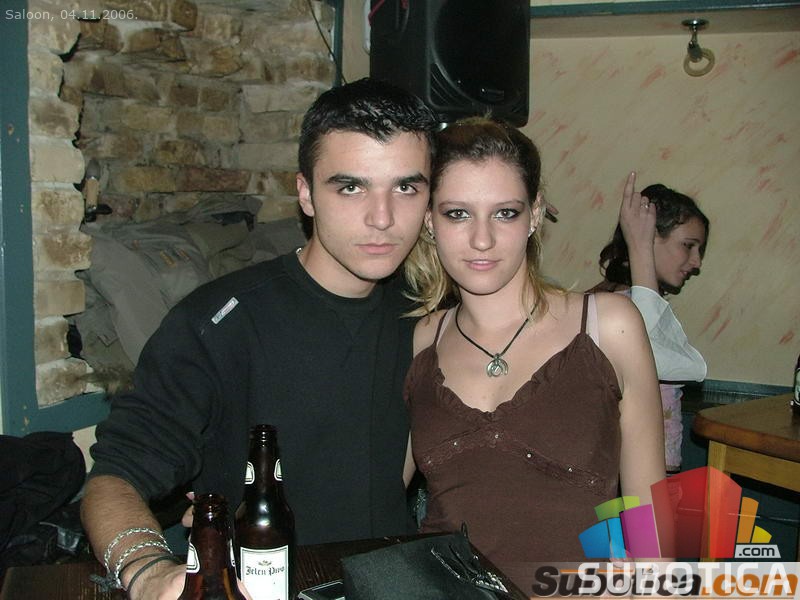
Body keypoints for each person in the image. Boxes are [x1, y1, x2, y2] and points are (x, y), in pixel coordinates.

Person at [80, 78, 438, 600]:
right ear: (305, 193)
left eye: (405, 188)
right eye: (350, 187)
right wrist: (149, 572)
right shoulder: (220, 321)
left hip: (392, 583)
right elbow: (113, 480)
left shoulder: (427, 314)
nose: (382, 218)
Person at [402, 117, 666, 590]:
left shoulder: (609, 326)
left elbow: (650, 523)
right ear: (428, 221)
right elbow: (368, 493)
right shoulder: (421, 340)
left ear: (536, 214)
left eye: (505, 213)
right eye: (457, 213)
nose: (482, 239)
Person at [590, 175, 709, 472]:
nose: (696, 262)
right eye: (688, 246)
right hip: (630, 475)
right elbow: (669, 363)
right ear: (647, 236)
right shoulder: (619, 306)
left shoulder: (638, 305)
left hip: (652, 471)